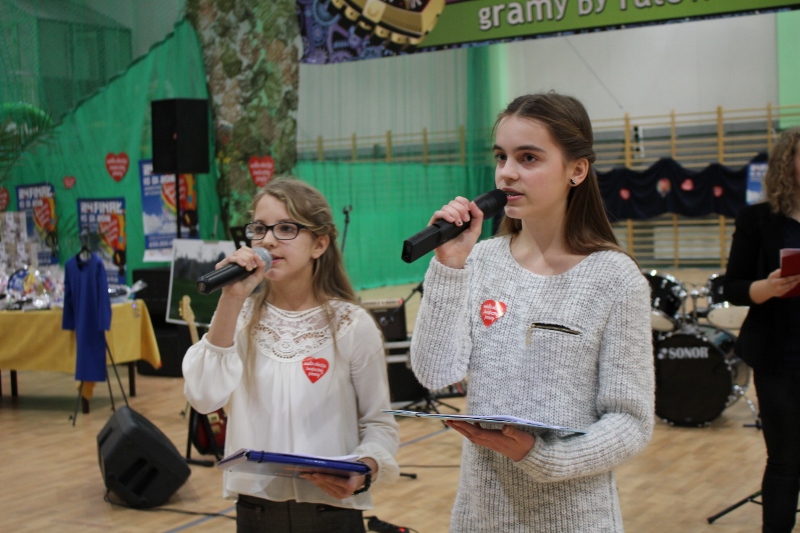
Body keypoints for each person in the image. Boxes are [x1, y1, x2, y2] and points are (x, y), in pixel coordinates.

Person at [409, 92, 655, 532]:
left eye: (528, 158)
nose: (507, 172)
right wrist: (449, 266)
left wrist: (543, 457)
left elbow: (631, 422)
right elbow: (434, 373)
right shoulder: (479, 261)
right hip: (480, 518)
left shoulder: (615, 279)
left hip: (576, 520)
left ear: (576, 170)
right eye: (501, 157)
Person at [183, 177, 399, 533]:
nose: (268, 240)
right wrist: (231, 298)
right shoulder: (239, 316)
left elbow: (379, 424)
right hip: (255, 512)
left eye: (286, 228)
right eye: (259, 229)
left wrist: (364, 468)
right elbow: (204, 398)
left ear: (319, 244)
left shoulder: (351, 324)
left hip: (330, 511)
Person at [723, 128, 800, 533]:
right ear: (788, 163)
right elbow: (732, 287)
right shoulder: (757, 219)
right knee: (785, 460)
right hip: (779, 357)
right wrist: (767, 288)